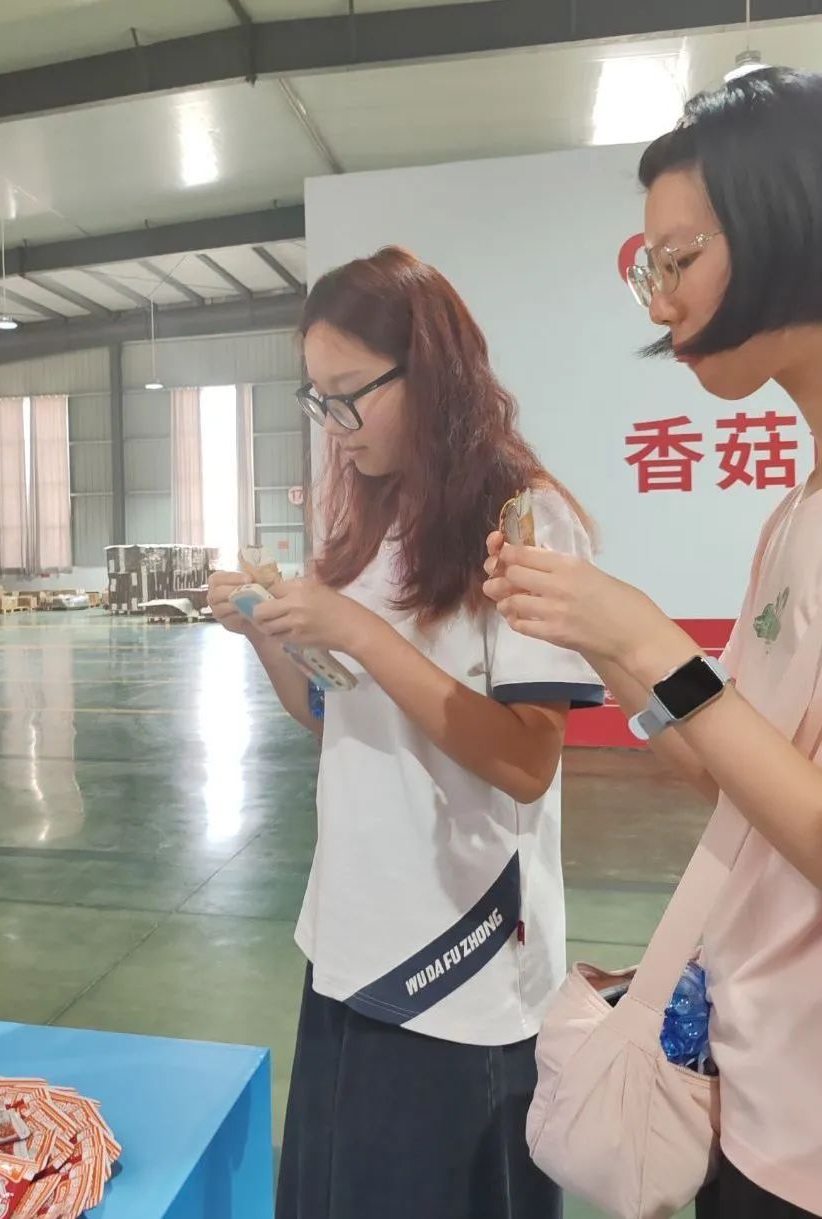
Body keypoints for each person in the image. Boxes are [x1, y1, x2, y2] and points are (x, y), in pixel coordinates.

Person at [484, 68, 822, 1219]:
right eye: (648, 270)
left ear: (793, 223)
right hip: (758, 1091)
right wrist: (601, 642)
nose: (658, 303)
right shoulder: (795, 514)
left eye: (678, 260)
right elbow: (739, 781)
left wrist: (649, 638)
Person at [208, 247, 604, 1219]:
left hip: (462, 960)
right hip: (348, 935)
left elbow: (526, 759)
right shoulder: (375, 521)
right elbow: (330, 711)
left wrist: (359, 632)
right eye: (319, 399)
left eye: (350, 395)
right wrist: (267, 633)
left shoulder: (525, 520)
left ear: (431, 374)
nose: (334, 426)